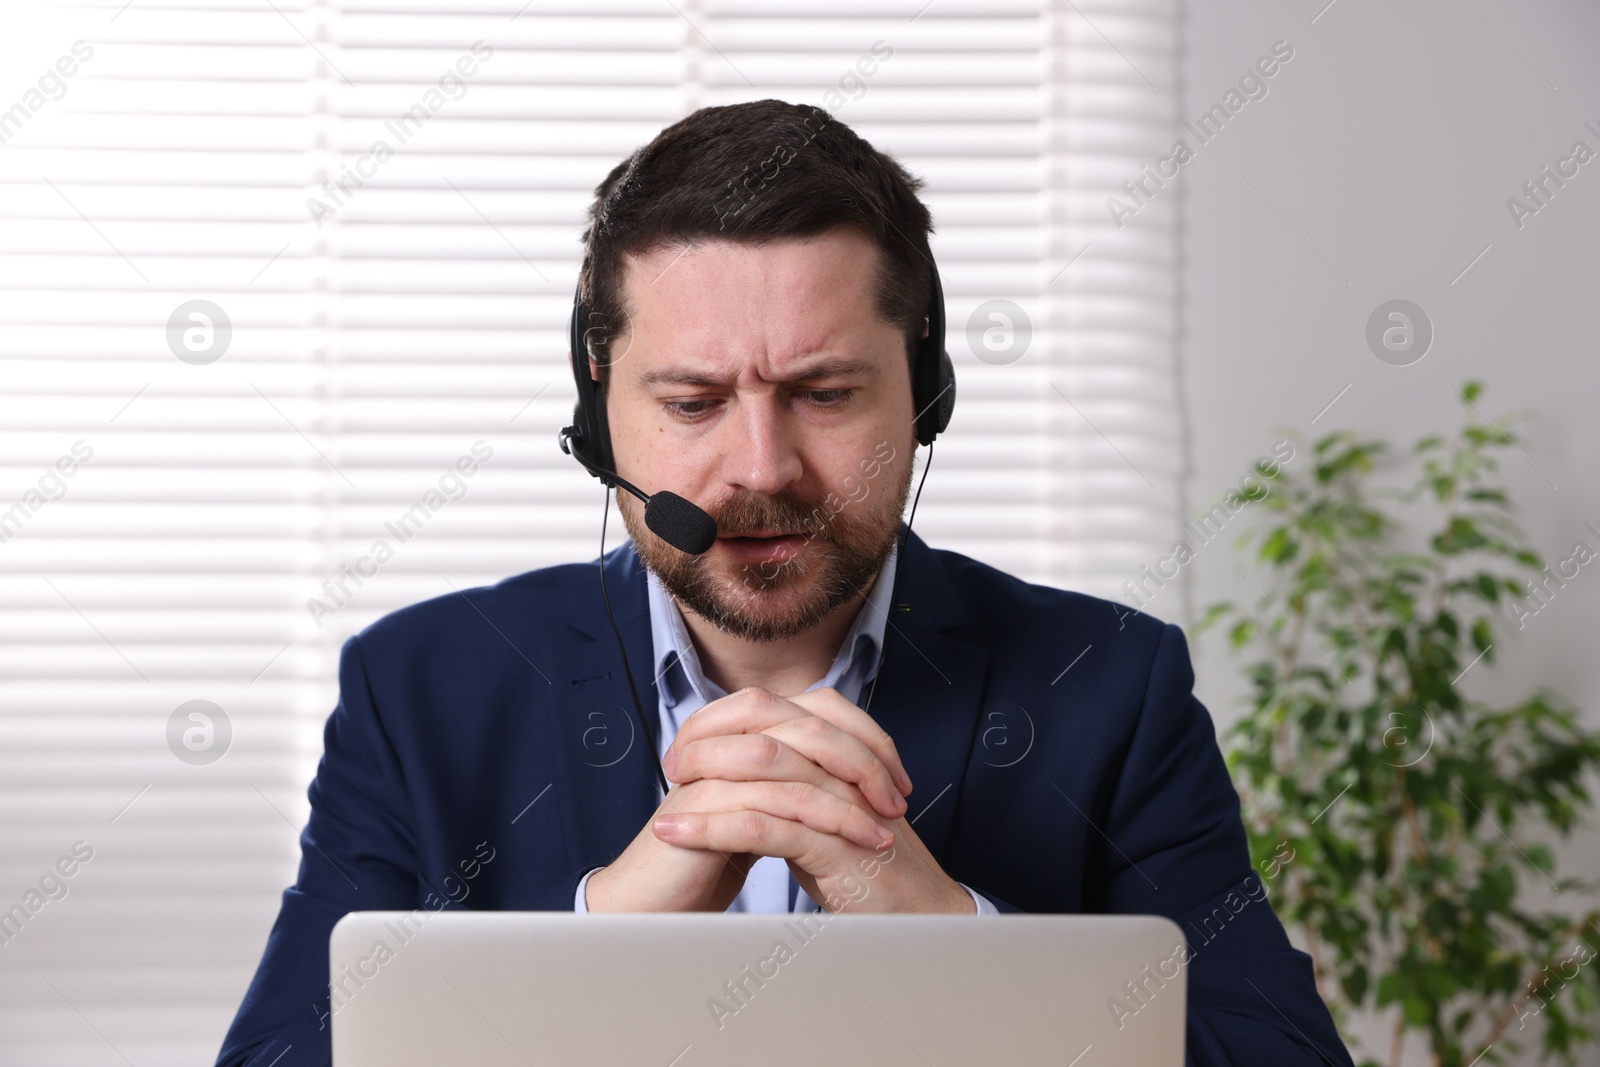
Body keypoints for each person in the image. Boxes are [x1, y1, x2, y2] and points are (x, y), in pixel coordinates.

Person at [216, 99, 1352, 1066]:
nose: (761, 470)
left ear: (927, 394)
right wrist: (602, 933)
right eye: (693, 403)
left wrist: (948, 934)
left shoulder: (1108, 682)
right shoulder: (419, 690)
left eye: (823, 392)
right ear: (594, 410)